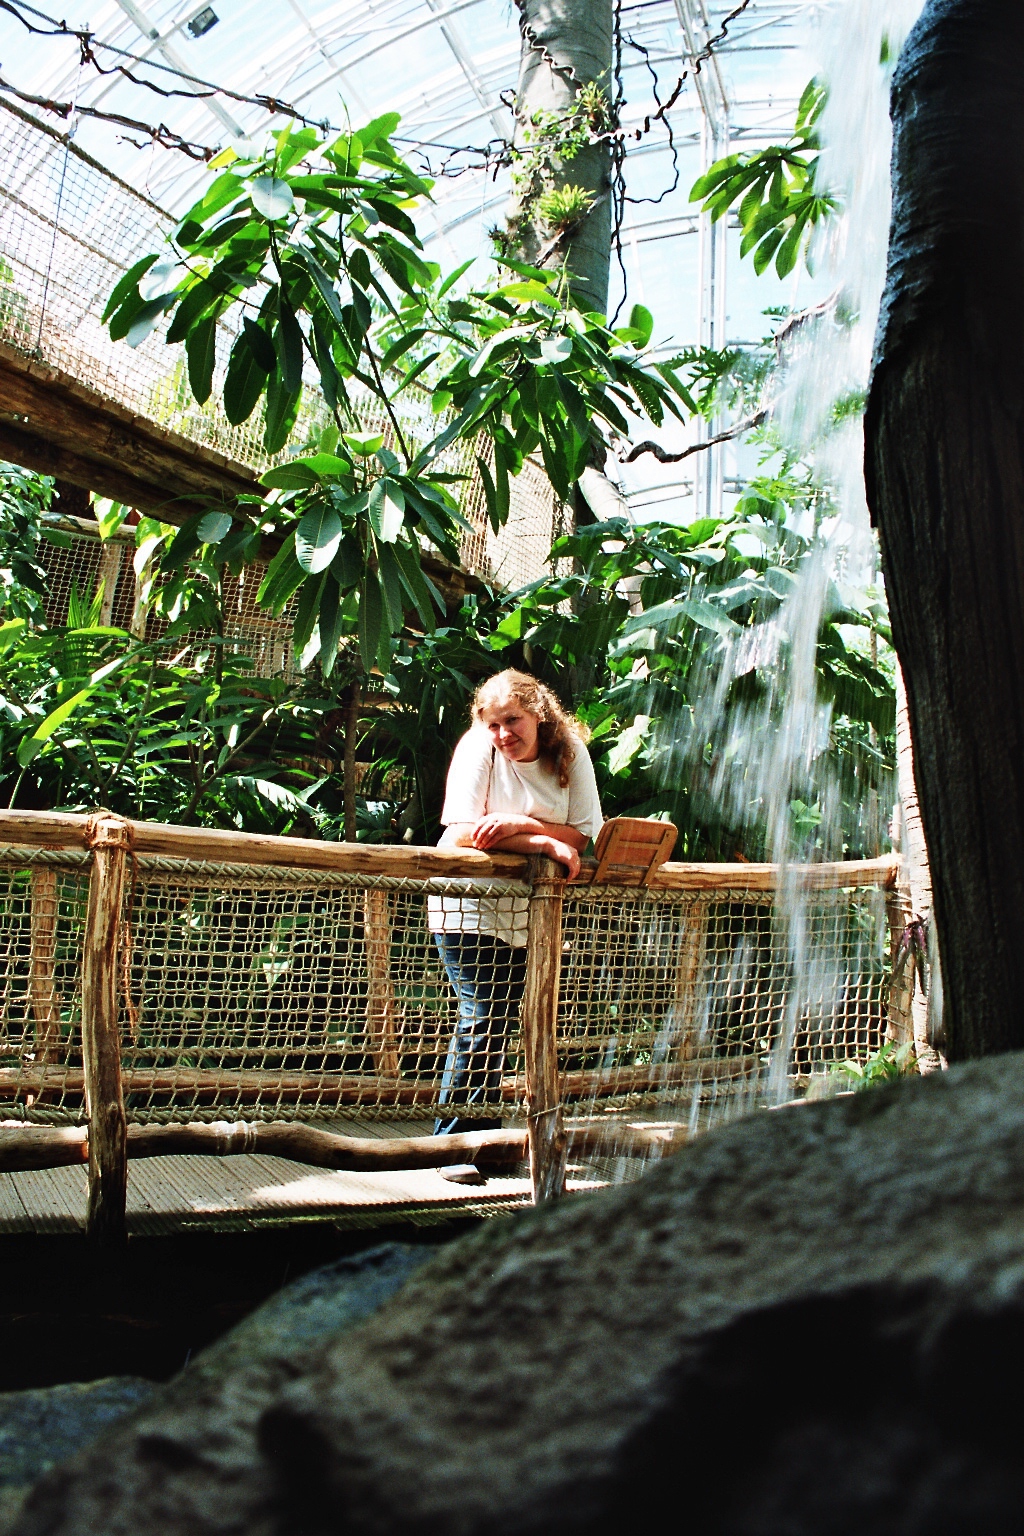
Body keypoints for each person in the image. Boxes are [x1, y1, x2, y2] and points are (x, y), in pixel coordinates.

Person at [428, 669, 603, 1135]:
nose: (503, 733)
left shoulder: (570, 750)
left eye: (513, 720)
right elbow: (462, 832)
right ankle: (451, 1143)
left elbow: (580, 835)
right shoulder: (478, 748)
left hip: (526, 913)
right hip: (465, 905)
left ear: (538, 715)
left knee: (498, 1020)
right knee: (482, 1015)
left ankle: (481, 1138)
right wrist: (542, 843)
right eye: (494, 724)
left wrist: (514, 825)